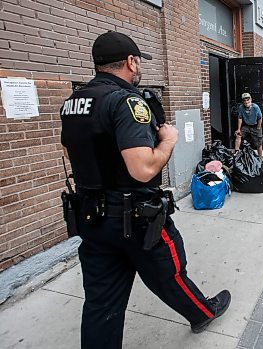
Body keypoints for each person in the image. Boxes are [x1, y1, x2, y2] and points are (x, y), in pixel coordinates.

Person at [60, 31, 230, 348]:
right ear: (130, 61)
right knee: (170, 275)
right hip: (136, 218)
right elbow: (143, 169)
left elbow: (70, 152)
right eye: (138, 63)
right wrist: (167, 140)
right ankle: (203, 313)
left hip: (92, 216)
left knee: (101, 305)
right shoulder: (127, 101)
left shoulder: (74, 102)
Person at [234, 92, 263, 157]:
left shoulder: (255, 107)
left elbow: (260, 118)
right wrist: (238, 129)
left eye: (248, 99)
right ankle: (236, 153)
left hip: (255, 126)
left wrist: (258, 127)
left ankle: (260, 157)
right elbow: (240, 118)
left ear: (251, 100)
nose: (246, 101)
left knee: (259, 142)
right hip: (247, 126)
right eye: (244, 100)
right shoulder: (241, 107)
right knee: (238, 135)